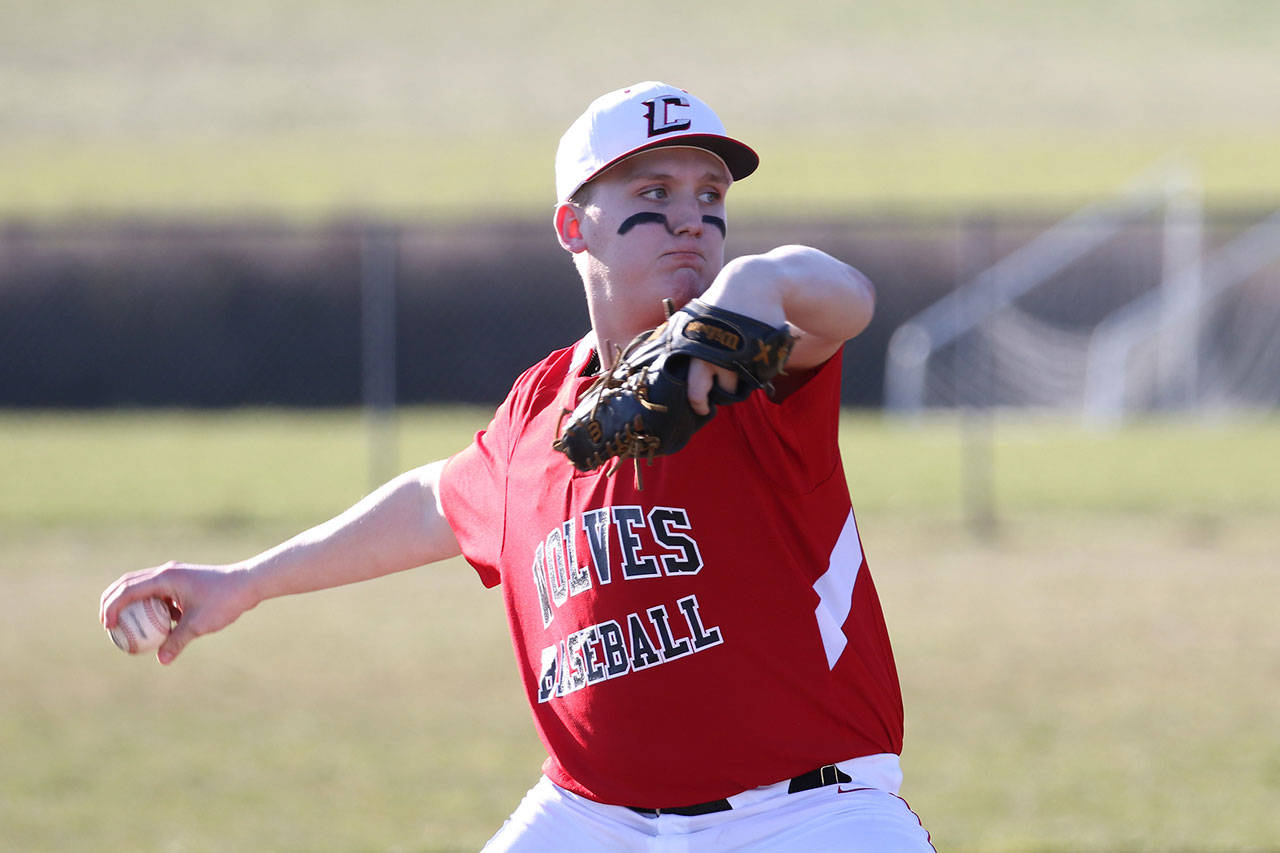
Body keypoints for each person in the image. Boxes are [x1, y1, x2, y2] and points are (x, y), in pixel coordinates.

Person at [101, 81, 934, 851]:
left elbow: (847, 300)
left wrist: (764, 278)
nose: (692, 218)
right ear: (575, 226)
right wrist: (243, 580)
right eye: (653, 194)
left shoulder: (752, 363)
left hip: (807, 813)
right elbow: (438, 501)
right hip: (593, 815)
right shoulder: (542, 405)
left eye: (710, 196)